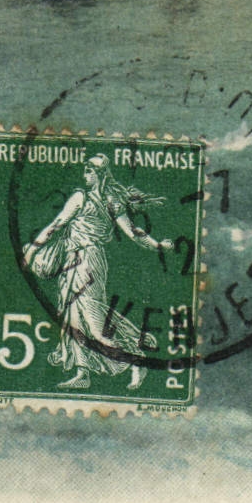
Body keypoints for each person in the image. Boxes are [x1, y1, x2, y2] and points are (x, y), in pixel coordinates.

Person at [23, 156, 171, 390]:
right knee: (72, 319)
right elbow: (56, 225)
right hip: (71, 261)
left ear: (100, 174)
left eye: (89, 171)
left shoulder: (105, 200)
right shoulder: (84, 198)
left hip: (89, 262)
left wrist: (157, 245)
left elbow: (132, 232)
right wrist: (32, 250)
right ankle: (82, 373)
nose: (85, 175)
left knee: (94, 324)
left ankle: (135, 361)